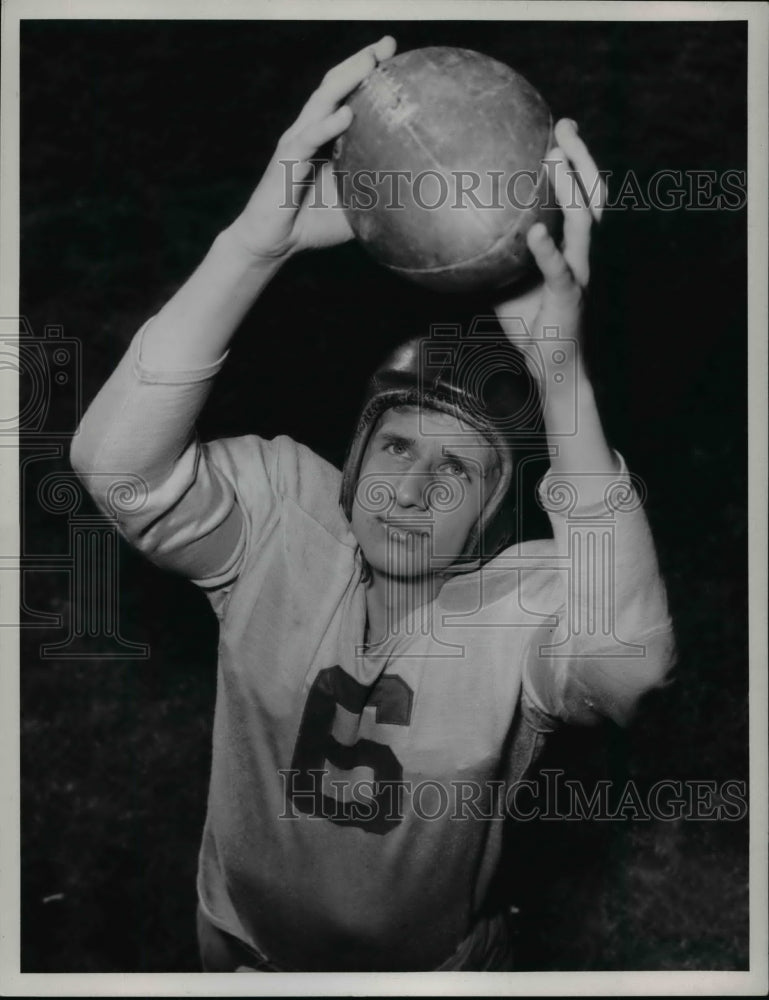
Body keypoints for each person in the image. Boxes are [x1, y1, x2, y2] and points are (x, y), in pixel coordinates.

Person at [70, 35, 675, 972]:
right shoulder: (283, 525)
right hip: (240, 947)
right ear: (350, 459)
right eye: (395, 445)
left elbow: (627, 670)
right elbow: (117, 471)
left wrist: (560, 377)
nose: (412, 487)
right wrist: (248, 248)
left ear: (493, 515)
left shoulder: (525, 605)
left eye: (460, 469)